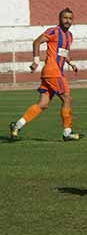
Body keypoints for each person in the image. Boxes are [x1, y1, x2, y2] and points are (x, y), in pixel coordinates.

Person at [9, 8, 83, 142]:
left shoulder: (69, 36)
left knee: (43, 104)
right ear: (59, 19)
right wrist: (36, 61)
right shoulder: (53, 31)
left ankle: (17, 125)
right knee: (67, 99)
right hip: (53, 72)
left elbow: (63, 52)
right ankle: (67, 133)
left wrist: (71, 63)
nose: (67, 21)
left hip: (51, 73)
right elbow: (36, 42)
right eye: (65, 18)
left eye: (70, 18)